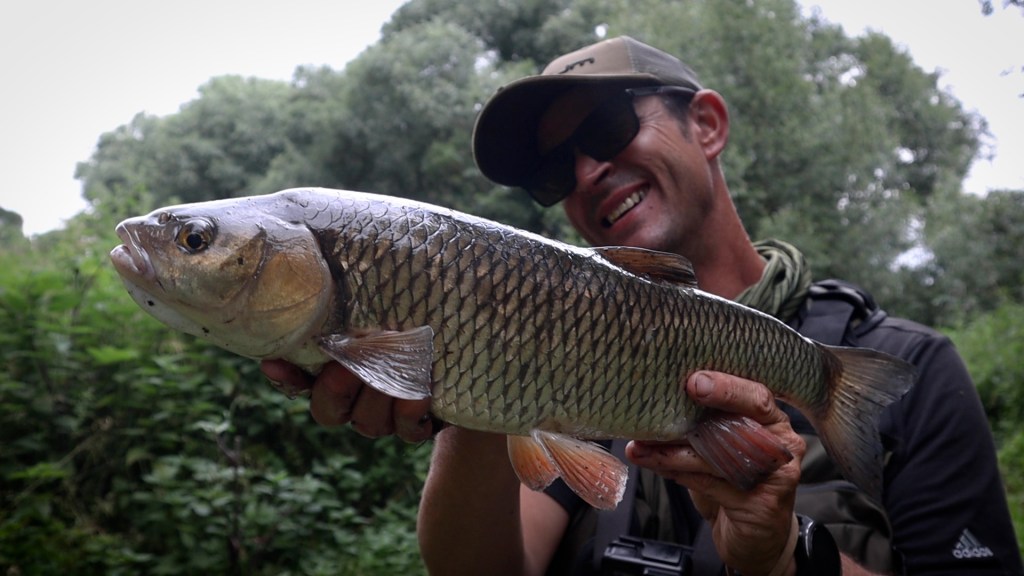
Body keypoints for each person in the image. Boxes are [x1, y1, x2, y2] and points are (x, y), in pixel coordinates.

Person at [261, 36, 1024, 575]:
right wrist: (465, 379)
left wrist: (781, 561)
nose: (588, 170)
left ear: (708, 125)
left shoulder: (909, 367)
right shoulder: (557, 349)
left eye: (607, 128)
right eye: (553, 170)